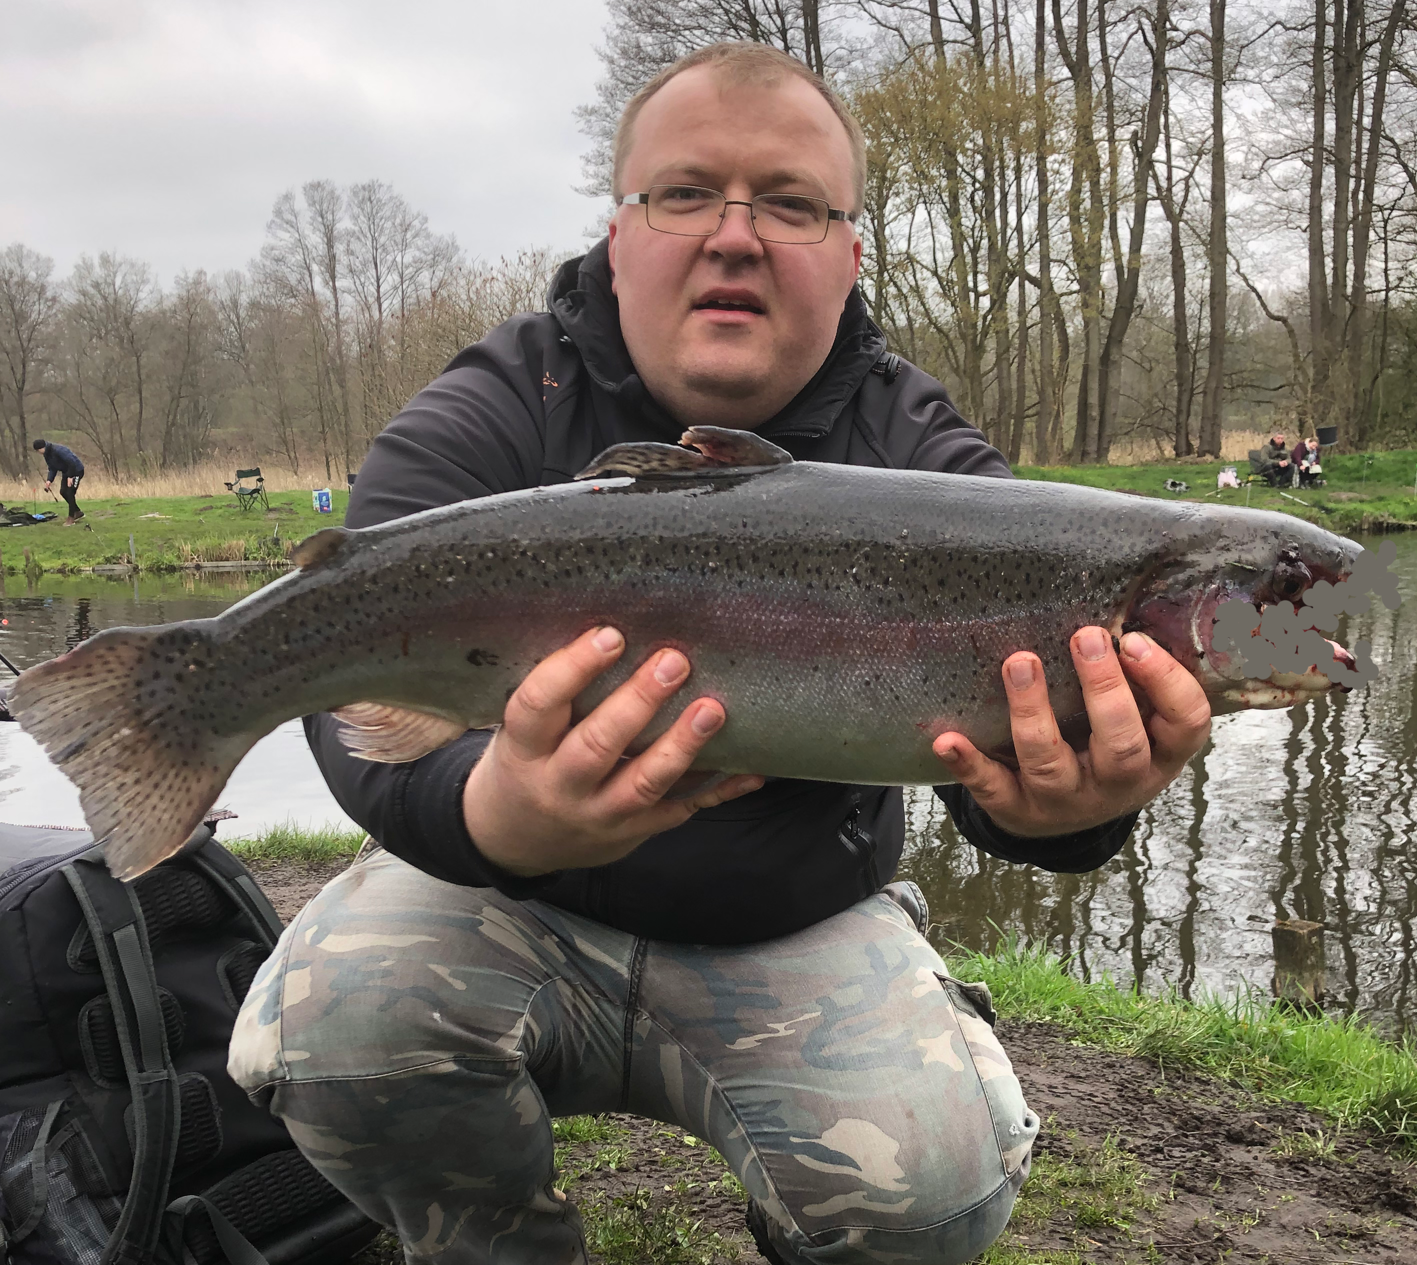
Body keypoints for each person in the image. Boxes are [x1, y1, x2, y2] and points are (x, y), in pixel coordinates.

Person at [228, 43, 1212, 1265]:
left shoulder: (923, 454)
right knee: (330, 1037)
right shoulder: (502, 401)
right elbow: (334, 665)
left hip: (794, 921)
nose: (735, 237)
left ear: (851, 253)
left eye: (791, 204)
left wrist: (1073, 812)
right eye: (686, 193)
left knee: (938, 1193)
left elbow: (998, 776)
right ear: (618, 233)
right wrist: (490, 814)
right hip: (502, 904)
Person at [32, 437, 84, 523]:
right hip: (66, 472)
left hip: (76, 470)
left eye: (38, 450)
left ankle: (71, 518)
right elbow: (52, 468)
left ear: (42, 448)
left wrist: (70, 477)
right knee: (63, 492)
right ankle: (77, 512)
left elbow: (71, 462)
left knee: (70, 492)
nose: (38, 452)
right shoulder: (46, 454)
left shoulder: (58, 450)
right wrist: (49, 480)